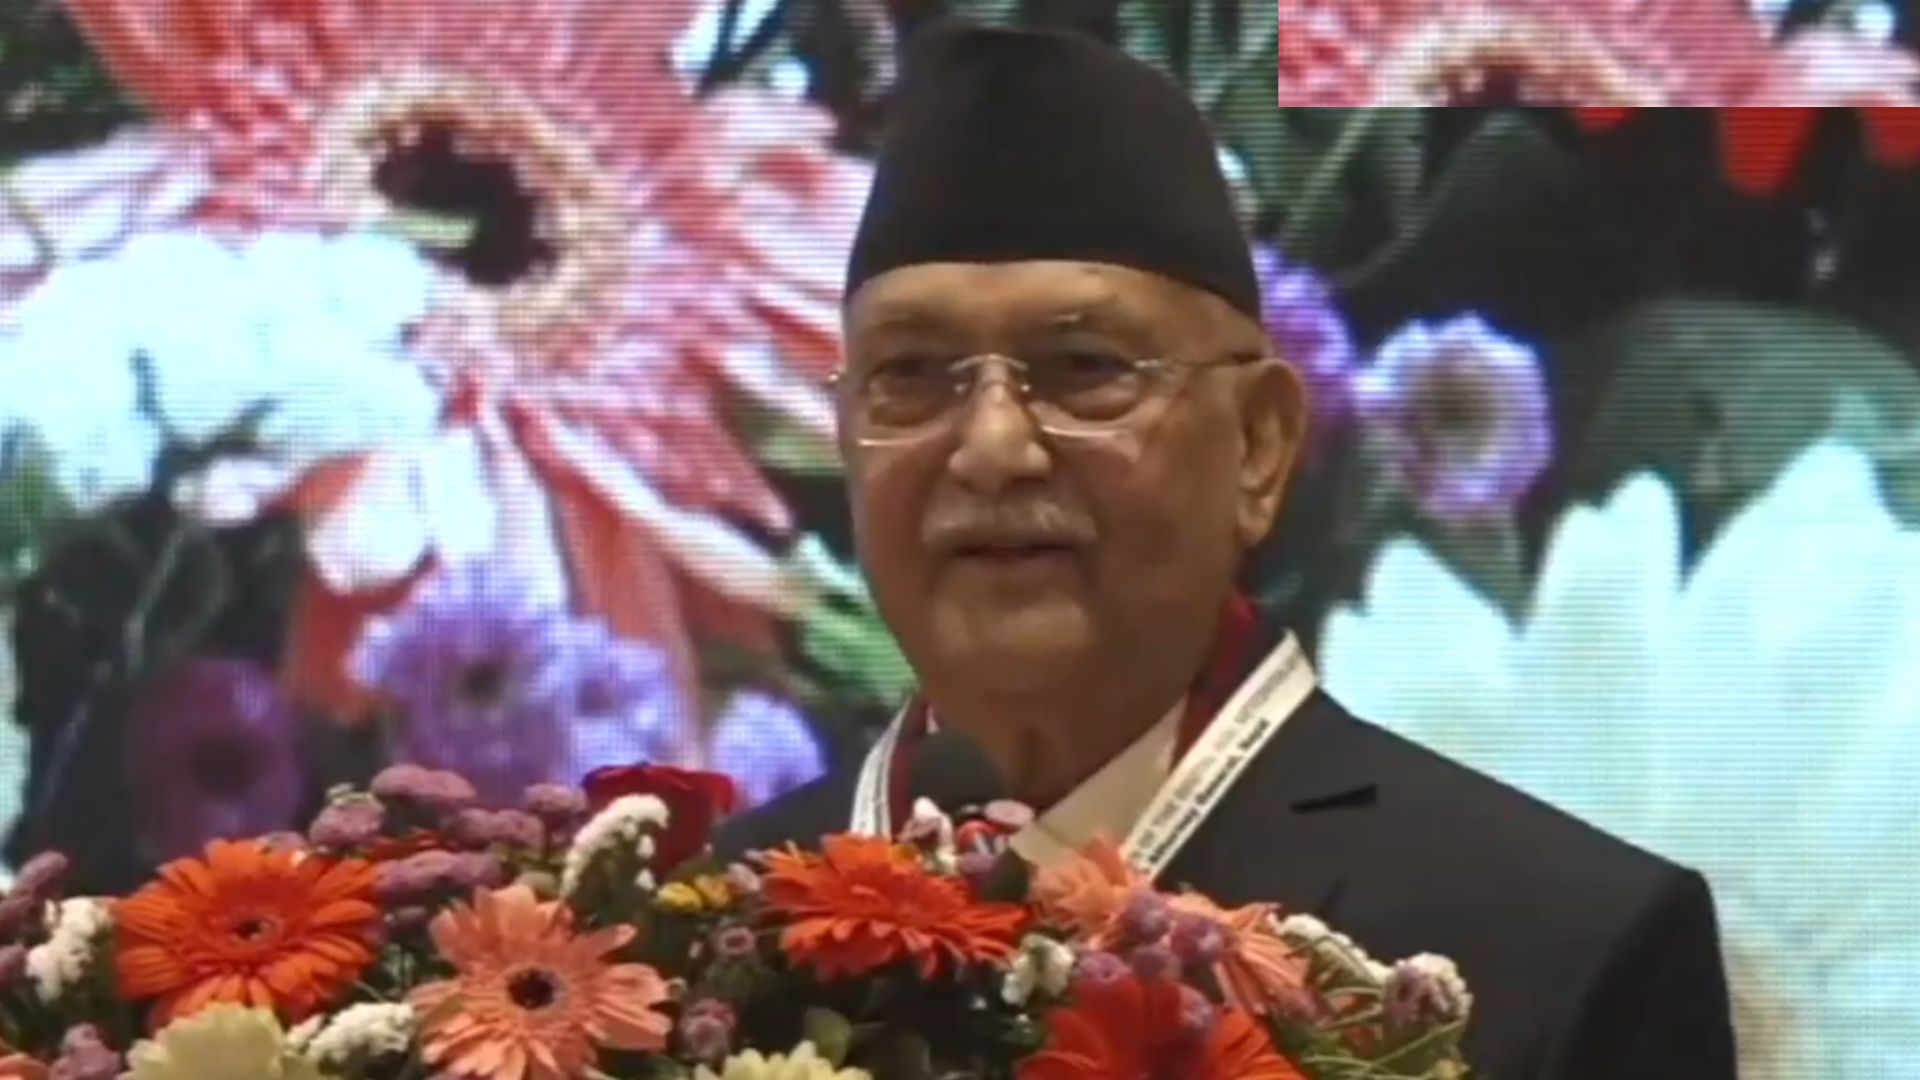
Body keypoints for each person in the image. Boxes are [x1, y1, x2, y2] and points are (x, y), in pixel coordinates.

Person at [715, 21, 1738, 1078]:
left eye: (1085, 368)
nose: (992, 448)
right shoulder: (686, 934)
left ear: (1258, 445)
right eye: (910, 376)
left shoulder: (1565, 952)